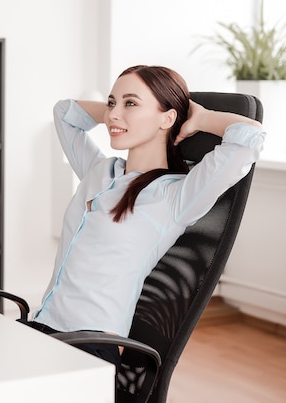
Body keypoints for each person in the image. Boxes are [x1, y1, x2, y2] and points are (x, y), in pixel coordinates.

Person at [26, 65, 265, 371]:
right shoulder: (99, 171)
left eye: (131, 103)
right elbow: (65, 113)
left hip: (88, 347)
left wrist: (199, 118)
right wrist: (118, 115)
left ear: (167, 118)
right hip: (43, 327)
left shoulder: (176, 195)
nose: (113, 113)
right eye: (112, 102)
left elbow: (249, 138)